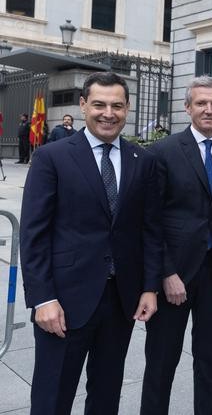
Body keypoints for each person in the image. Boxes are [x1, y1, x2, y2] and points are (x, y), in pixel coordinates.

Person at [19, 72, 162, 414]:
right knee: (53, 396)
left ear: (128, 109)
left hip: (120, 299)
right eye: (99, 104)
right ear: (83, 105)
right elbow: (33, 234)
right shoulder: (52, 157)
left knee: (106, 394)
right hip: (64, 301)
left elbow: (150, 230)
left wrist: (149, 288)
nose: (107, 113)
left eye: (117, 105)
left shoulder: (143, 161)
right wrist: (43, 298)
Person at [140, 76, 212, 415]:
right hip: (173, 275)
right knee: (161, 365)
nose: (208, 109)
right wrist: (166, 273)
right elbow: (150, 220)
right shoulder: (162, 152)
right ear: (187, 107)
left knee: (209, 363)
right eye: (201, 103)